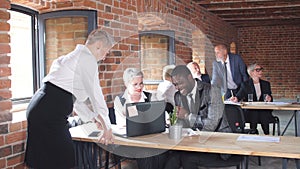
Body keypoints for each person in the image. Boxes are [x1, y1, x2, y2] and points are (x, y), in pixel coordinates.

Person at [24, 29, 115, 169]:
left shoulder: (73, 58)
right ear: (98, 45)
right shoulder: (87, 59)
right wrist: (107, 126)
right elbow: (96, 95)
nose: (104, 57)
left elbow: (75, 99)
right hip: (49, 114)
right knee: (62, 160)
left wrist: (93, 118)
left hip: (40, 108)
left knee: (47, 161)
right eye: (106, 51)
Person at [164, 65, 231, 169]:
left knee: (187, 158)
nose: (177, 87)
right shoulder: (178, 96)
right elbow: (181, 123)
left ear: (190, 77)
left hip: (217, 141)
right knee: (171, 158)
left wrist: (187, 115)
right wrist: (174, 124)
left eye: (180, 83)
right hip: (192, 142)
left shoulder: (212, 91)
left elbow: (211, 124)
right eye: (175, 84)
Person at [113, 67, 167, 169]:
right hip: (129, 142)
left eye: (141, 83)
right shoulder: (120, 101)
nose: (139, 87)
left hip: (151, 139)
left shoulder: (150, 97)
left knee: (162, 152)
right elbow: (122, 124)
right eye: (135, 84)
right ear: (126, 84)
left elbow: (161, 117)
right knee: (146, 153)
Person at [230, 63, 275, 135]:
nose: (261, 72)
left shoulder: (266, 84)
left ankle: (264, 134)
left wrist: (270, 98)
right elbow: (239, 96)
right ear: (251, 72)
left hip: (264, 110)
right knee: (254, 113)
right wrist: (235, 99)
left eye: (261, 69)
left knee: (262, 114)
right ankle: (254, 132)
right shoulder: (245, 85)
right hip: (251, 112)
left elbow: (270, 98)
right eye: (258, 70)